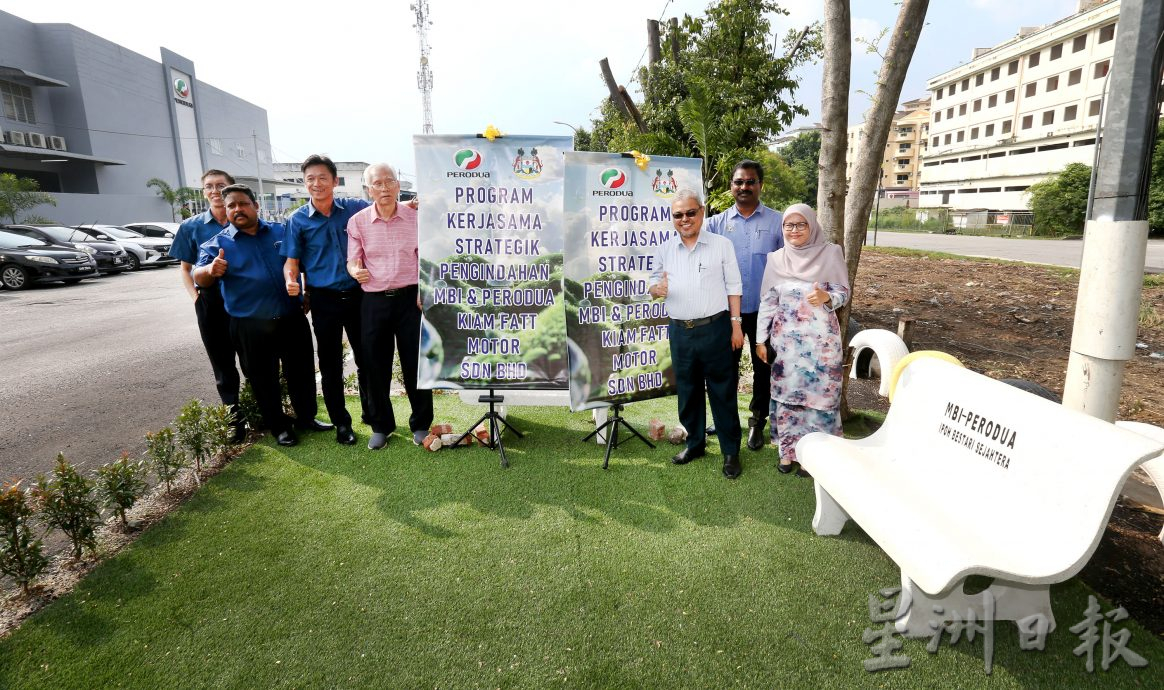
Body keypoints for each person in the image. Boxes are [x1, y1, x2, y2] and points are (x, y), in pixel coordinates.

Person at [193, 185, 323, 447]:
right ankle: (279, 427)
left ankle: (307, 418)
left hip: (291, 318)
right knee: (264, 379)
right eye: (231, 206)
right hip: (249, 325)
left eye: (242, 203)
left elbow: (302, 262)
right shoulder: (217, 244)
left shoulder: (281, 231)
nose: (237, 209)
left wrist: (307, 292)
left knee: (302, 372)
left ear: (255, 206)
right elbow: (198, 275)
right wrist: (210, 269)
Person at [649, 189, 745, 479]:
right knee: (688, 392)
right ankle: (695, 443)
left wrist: (736, 325)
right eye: (678, 215)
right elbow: (654, 285)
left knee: (723, 392)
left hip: (716, 329)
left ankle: (730, 452)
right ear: (673, 218)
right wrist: (656, 290)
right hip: (680, 331)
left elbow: (734, 286)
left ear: (702, 212)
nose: (685, 219)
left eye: (691, 212)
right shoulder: (665, 249)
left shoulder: (721, 245)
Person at [755, 204, 851, 476]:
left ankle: (815, 457)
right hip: (786, 348)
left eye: (801, 225)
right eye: (789, 225)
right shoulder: (776, 259)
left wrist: (828, 297)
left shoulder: (830, 253)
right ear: (782, 228)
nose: (794, 230)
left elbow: (843, 291)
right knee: (788, 397)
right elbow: (767, 304)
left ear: (812, 226)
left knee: (818, 399)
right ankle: (787, 453)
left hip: (821, 347)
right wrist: (761, 341)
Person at [282, 155, 371, 445]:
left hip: (360, 296)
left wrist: (412, 205)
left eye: (322, 177)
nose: (316, 183)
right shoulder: (296, 220)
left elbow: (385, 210)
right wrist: (291, 280)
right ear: (304, 183)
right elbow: (291, 261)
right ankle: (341, 424)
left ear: (335, 181)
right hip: (323, 300)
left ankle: (373, 414)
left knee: (367, 358)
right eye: (310, 178)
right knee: (330, 364)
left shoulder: (356, 208)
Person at [346, 163, 433, 450]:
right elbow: (353, 259)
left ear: (398, 185)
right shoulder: (357, 222)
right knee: (374, 365)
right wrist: (355, 269)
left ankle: (421, 424)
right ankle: (381, 426)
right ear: (368, 190)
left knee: (415, 363)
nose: (383, 188)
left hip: (410, 300)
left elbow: (425, 258)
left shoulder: (416, 217)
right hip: (374, 301)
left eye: (389, 182)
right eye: (377, 184)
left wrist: (423, 290)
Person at [706, 160, 784, 451]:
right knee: (725, 369)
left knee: (763, 370)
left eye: (750, 181)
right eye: (739, 182)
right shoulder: (715, 224)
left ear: (760, 185)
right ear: (731, 187)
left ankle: (757, 424)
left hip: (766, 313)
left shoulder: (778, 222)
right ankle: (726, 420)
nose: (744, 187)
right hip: (728, 314)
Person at [168, 169, 245, 442]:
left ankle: (266, 414)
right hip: (211, 302)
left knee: (253, 362)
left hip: (245, 300)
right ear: (204, 192)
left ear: (229, 188)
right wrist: (195, 297)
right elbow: (185, 268)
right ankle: (235, 422)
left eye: (220, 185)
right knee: (223, 366)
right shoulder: (192, 227)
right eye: (209, 186)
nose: (215, 190)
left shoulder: (243, 218)